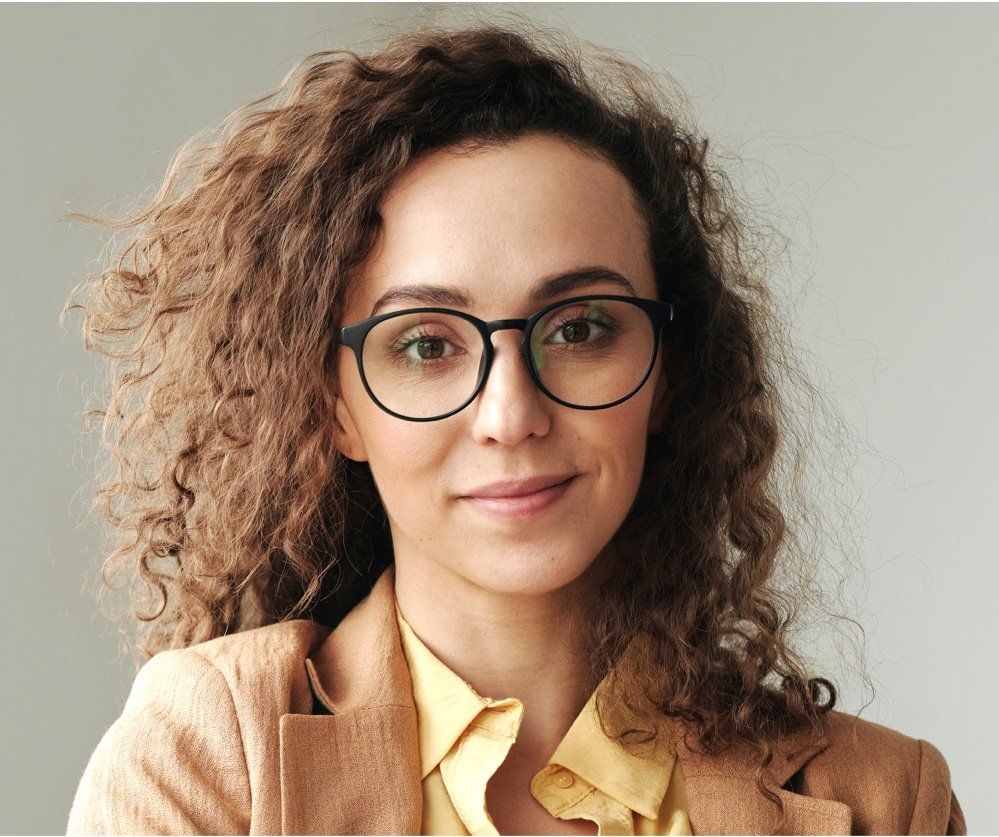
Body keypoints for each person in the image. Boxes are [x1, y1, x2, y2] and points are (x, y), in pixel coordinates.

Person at [63, 21, 965, 836]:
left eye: (578, 328)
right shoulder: (206, 759)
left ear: (671, 370)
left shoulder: (886, 798)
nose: (511, 415)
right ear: (332, 404)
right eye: (425, 344)